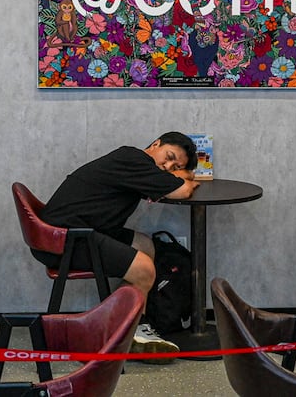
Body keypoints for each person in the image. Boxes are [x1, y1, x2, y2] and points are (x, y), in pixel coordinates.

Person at [36, 131, 200, 362]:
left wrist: (183, 175)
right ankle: (135, 331)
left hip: (83, 231)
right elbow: (182, 190)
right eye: (169, 156)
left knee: (145, 245)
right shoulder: (134, 160)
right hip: (64, 239)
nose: (168, 166)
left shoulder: (136, 164)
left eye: (175, 167)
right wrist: (185, 176)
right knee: (144, 269)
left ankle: (120, 325)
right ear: (156, 144)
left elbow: (181, 182)